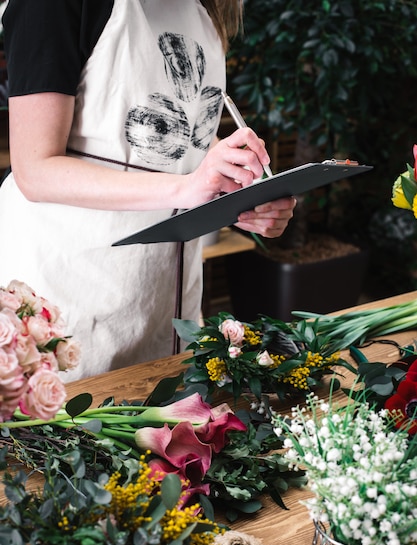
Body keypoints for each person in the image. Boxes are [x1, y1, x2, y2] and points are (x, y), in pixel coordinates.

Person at [0, 0, 295, 381]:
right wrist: (188, 187)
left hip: (163, 294)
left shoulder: (205, 9)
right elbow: (36, 170)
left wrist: (241, 190)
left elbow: (176, 143)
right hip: (66, 288)